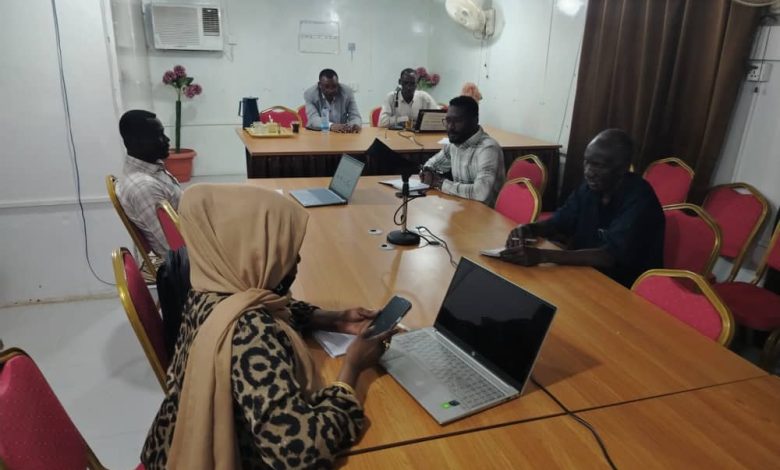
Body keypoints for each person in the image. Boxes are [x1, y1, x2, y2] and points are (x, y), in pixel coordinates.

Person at [141, 184, 397, 469]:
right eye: (285, 251)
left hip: (168, 449)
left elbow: (270, 306)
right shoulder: (249, 332)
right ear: (252, 253)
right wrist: (352, 367)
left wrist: (334, 319)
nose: (296, 261)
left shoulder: (210, 286)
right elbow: (301, 452)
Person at [500, 129, 665, 287]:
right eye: (586, 162)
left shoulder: (641, 200)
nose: (588, 172)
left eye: (598, 165)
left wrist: (542, 255)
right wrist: (530, 229)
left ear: (622, 168)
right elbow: (559, 222)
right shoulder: (590, 189)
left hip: (621, 286)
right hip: (583, 273)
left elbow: (609, 256)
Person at [116, 109, 181, 257]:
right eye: (159, 135)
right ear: (137, 142)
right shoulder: (144, 187)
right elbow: (175, 247)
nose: (166, 140)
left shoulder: (151, 168)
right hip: (188, 261)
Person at [420, 96, 505, 207]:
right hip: (462, 206)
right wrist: (427, 172)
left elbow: (481, 193)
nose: (450, 127)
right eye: (448, 121)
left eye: (457, 121)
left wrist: (440, 183)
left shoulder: (488, 149)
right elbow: (432, 164)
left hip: (485, 213)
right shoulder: (455, 144)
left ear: (475, 120)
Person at [303, 68, 362, 133]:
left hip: (341, 134)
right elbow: (313, 119)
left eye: (334, 86)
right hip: (319, 134)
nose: (331, 90)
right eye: (327, 87)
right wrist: (331, 126)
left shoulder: (347, 92)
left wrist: (354, 125)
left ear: (338, 84)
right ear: (319, 85)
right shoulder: (310, 94)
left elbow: (355, 116)